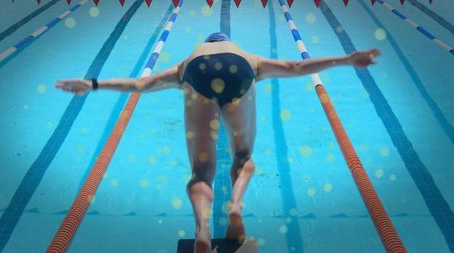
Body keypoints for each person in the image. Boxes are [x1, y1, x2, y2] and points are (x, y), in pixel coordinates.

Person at [55, 32, 380, 253]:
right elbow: (296, 67)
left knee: (201, 171)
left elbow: (140, 84)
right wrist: (346, 58)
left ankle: (202, 232)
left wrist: (93, 83)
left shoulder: (188, 60)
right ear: (227, 43)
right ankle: (236, 206)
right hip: (241, 74)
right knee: (243, 155)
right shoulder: (246, 56)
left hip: (197, 75)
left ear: (207, 43)